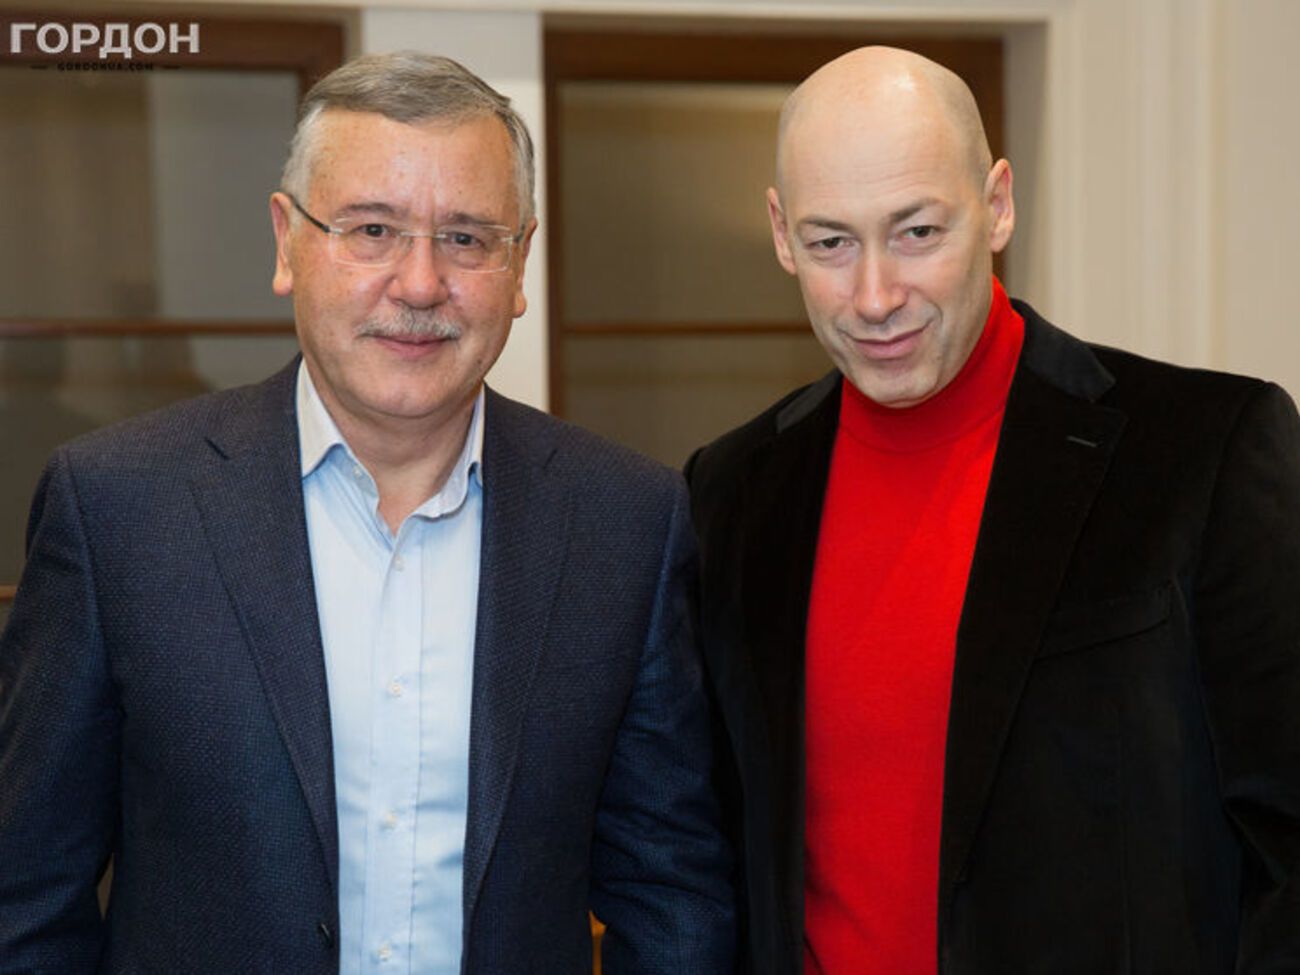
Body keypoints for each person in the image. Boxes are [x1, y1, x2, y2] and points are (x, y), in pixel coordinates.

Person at [0, 52, 733, 974]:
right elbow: (26, 896)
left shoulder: (625, 523)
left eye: (466, 237)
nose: (419, 283)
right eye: (373, 229)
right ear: (287, 242)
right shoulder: (119, 510)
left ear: (520, 263)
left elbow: (670, 894)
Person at [687, 45, 1300, 975]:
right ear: (781, 233)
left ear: (998, 204)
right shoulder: (729, 490)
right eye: (830, 243)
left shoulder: (1203, 450)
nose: (875, 296)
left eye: (917, 231)